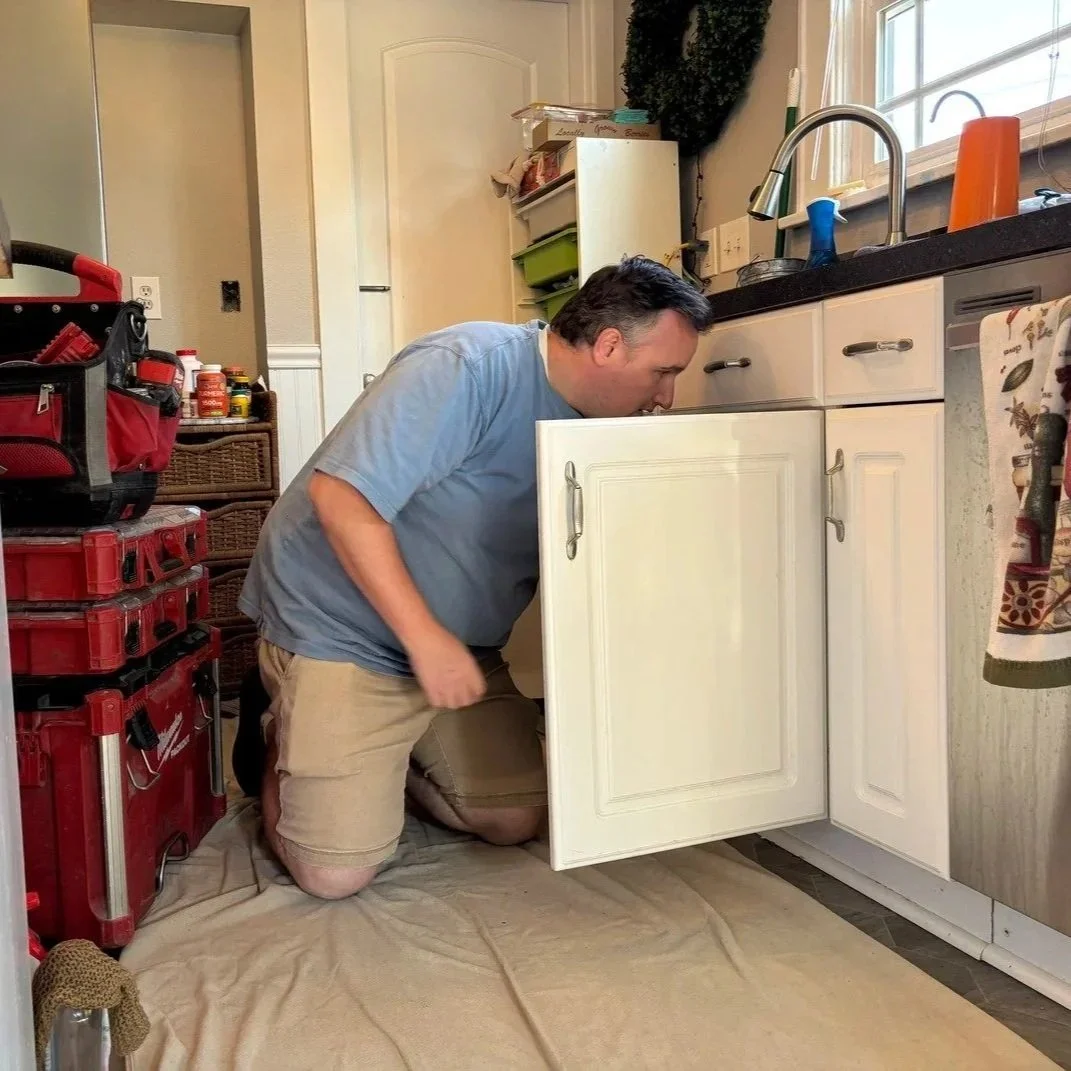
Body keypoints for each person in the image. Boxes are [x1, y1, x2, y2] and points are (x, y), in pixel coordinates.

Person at [234, 256, 714, 899]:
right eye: (663, 373)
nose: (667, 398)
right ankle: (281, 731)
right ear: (607, 346)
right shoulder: (465, 367)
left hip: (453, 647)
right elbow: (342, 500)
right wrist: (424, 638)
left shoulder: (602, 429)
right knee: (334, 873)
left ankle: (384, 759)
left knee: (517, 819)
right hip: (343, 626)